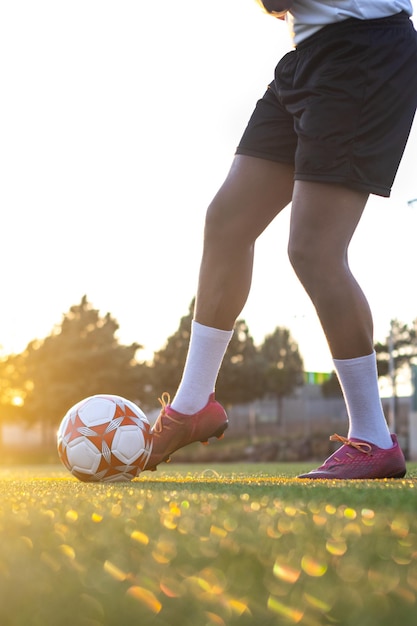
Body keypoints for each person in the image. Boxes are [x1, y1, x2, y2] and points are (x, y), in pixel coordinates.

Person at [145, 0, 417, 479]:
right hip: (309, 55)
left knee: (314, 250)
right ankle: (191, 406)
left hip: (364, 52)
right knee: (227, 223)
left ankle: (373, 437)